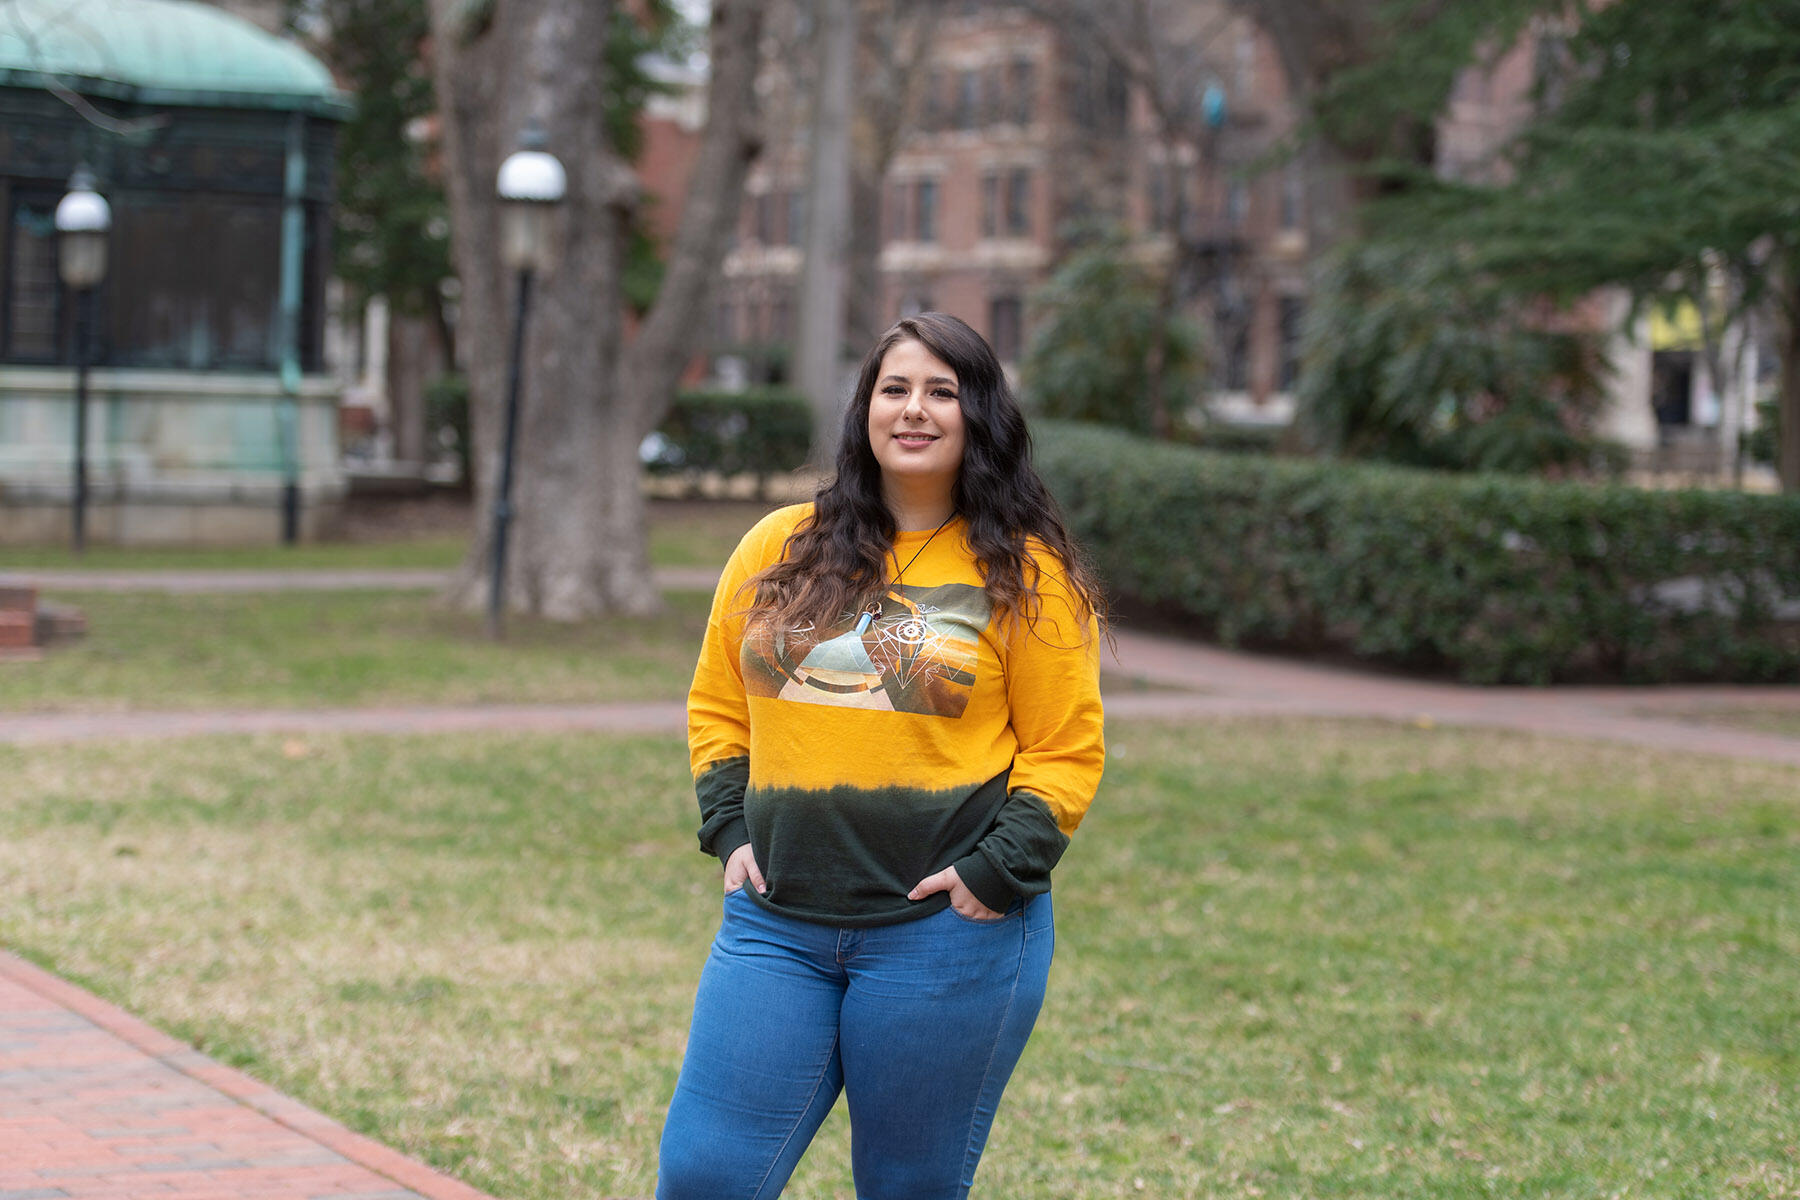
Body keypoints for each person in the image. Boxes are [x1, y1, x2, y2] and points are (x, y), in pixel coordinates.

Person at [656, 312, 1105, 1200]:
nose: (915, 410)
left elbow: (1064, 751)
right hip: (775, 925)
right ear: (865, 407)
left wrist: (994, 871)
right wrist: (728, 825)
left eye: (942, 391)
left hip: (942, 938)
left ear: (979, 414)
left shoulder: (1023, 573)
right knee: (705, 1174)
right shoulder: (779, 547)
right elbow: (717, 705)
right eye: (895, 388)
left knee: (906, 1188)